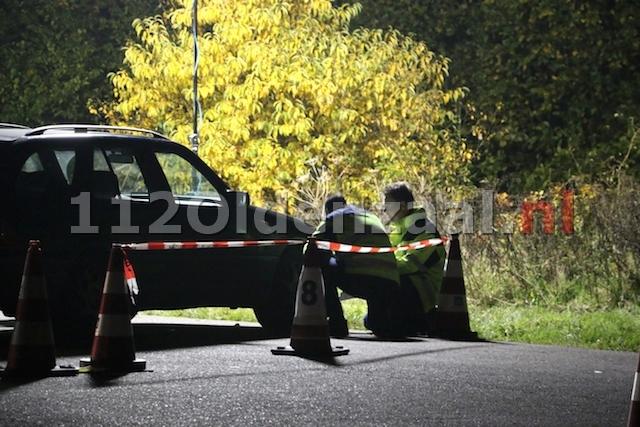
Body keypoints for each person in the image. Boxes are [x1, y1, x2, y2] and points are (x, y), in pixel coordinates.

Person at [310, 194, 403, 338]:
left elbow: (310, 248)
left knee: (320, 260)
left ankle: (336, 321)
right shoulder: (371, 217)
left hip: (360, 279)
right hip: (391, 283)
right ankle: (382, 322)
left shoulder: (333, 217)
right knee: (375, 325)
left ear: (328, 210)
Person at [383, 182, 446, 336]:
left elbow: (410, 266)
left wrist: (382, 268)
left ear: (403, 206)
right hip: (408, 288)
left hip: (422, 294)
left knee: (385, 323)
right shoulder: (400, 230)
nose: (385, 210)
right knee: (374, 322)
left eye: (389, 206)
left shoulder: (422, 229)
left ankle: (425, 321)